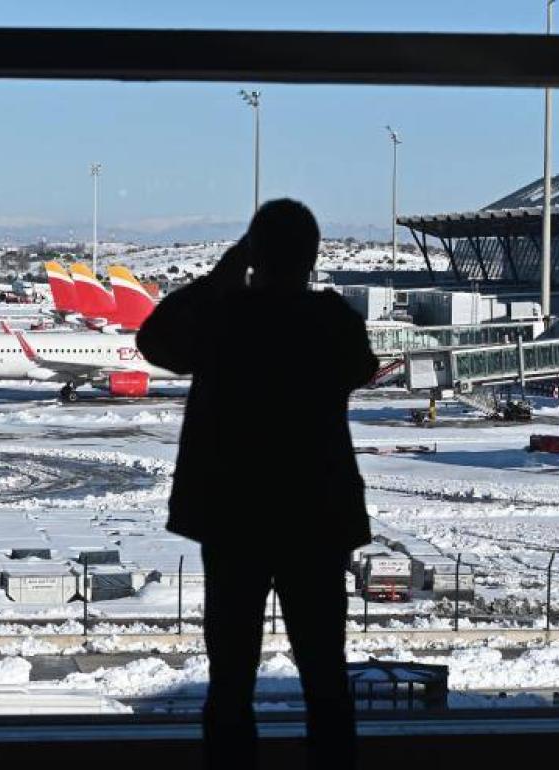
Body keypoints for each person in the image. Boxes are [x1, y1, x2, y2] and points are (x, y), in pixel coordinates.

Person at [137, 199, 378, 770]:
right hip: (314, 518)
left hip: (234, 517)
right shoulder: (329, 321)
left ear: (253, 253)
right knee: (324, 678)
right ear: (312, 257)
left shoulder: (225, 319)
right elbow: (361, 366)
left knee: (230, 682)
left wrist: (221, 281)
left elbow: (154, 342)